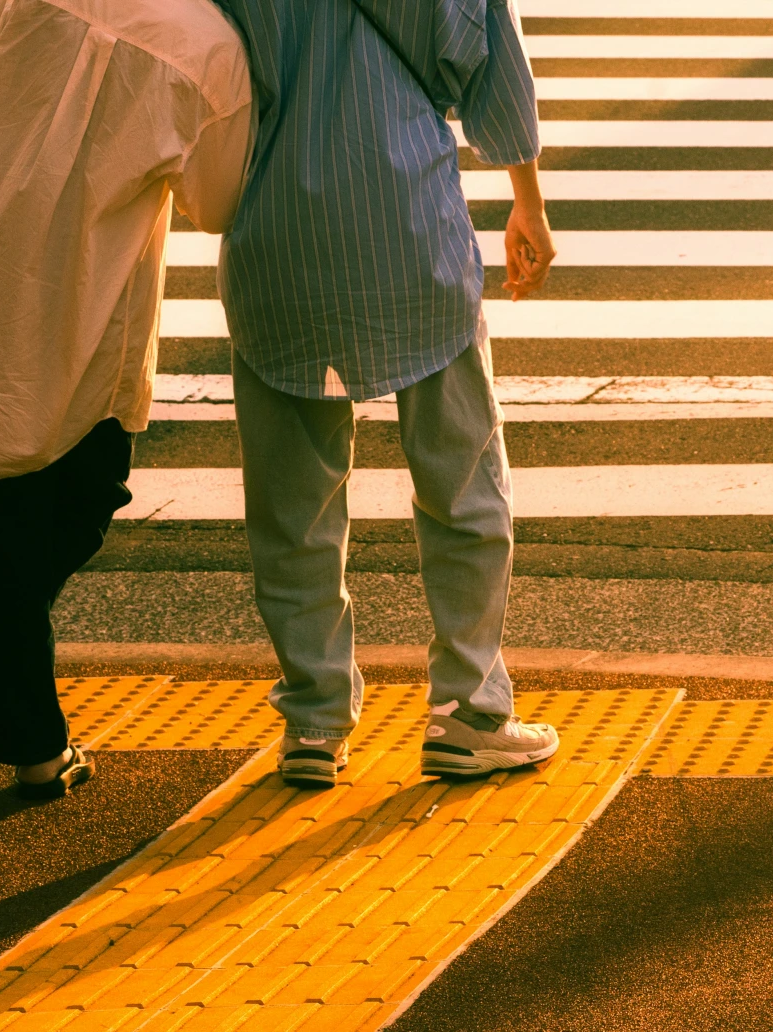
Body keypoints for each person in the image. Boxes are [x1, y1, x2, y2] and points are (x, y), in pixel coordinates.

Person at [0, 0, 253, 802]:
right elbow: (214, 203)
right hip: (85, 314)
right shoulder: (207, 51)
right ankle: (27, 743)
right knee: (77, 503)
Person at [214, 0, 561, 789]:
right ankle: (469, 710)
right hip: (405, 222)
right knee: (463, 479)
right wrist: (527, 196)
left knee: (290, 504)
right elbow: (489, 52)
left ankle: (312, 717)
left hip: (275, 233)